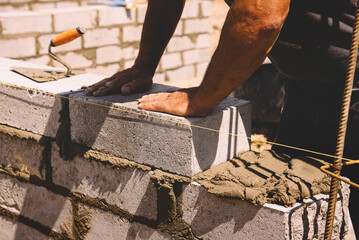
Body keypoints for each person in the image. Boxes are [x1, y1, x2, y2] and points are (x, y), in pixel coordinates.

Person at [86, 0, 359, 235]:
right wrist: (144, 64)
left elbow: (260, 14)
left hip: (351, 83)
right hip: (310, 85)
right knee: (303, 205)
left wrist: (201, 99)